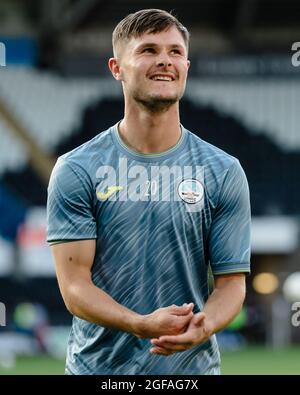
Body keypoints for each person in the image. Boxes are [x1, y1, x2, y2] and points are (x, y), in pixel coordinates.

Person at [47, 9, 251, 375]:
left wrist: (203, 325)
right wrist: (138, 323)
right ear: (116, 68)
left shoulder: (223, 171)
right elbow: (74, 286)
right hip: (99, 371)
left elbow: (232, 284)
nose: (164, 61)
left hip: (191, 373)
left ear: (186, 66)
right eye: (149, 50)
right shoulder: (77, 169)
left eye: (175, 52)